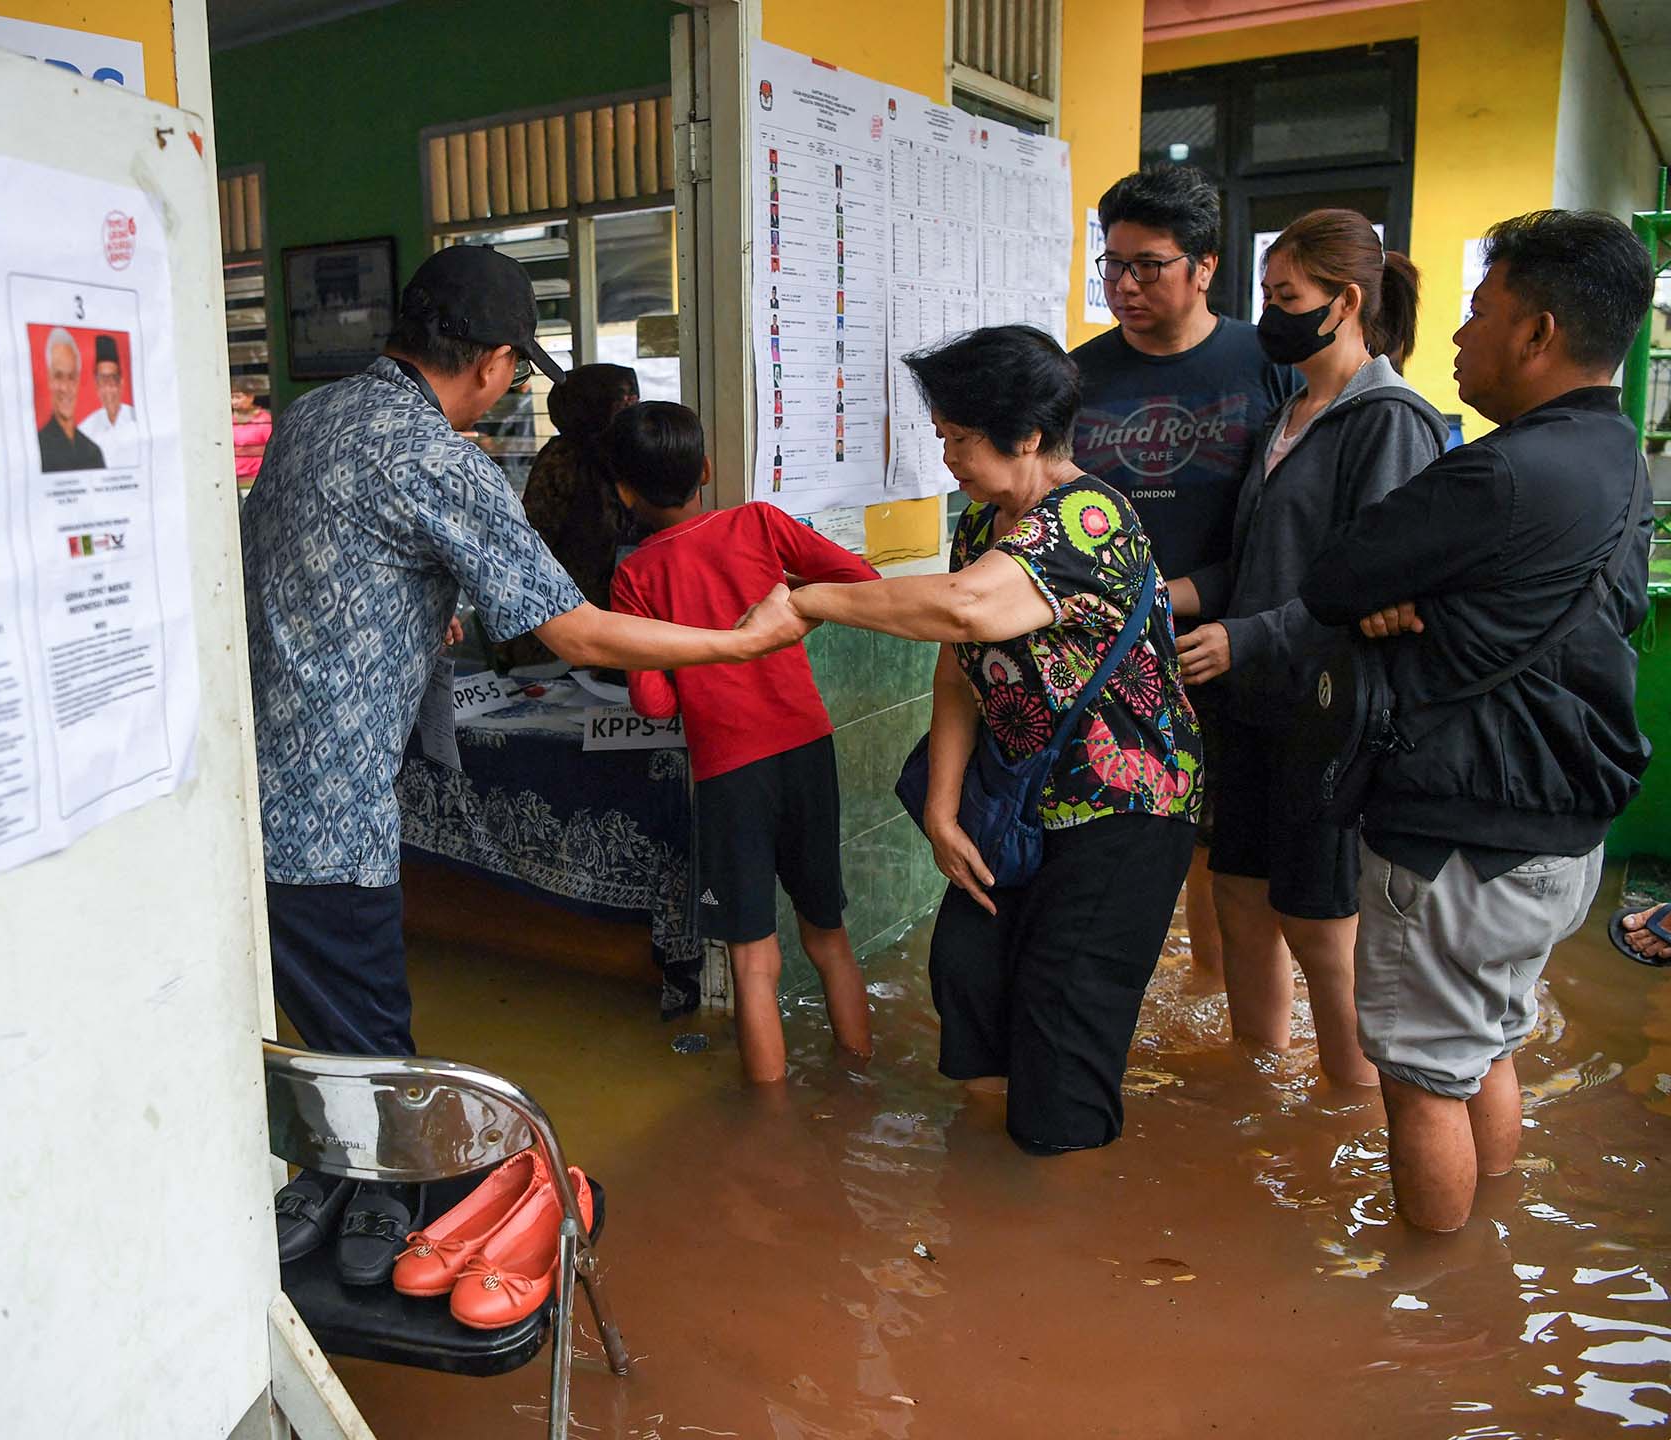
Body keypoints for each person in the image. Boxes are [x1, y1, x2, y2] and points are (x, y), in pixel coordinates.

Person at [243, 242, 809, 1277]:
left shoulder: (312, 417)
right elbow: (580, 634)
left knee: (321, 1031)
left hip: (247, 798)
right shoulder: (439, 460)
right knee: (371, 1048)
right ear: (497, 363)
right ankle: (395, 1225)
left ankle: (341, 1189)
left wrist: (415, 614)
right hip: (330, 814)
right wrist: (738, 642)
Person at [754, 325, 1203, 1154]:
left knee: (1063, 1022)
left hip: (1122, 811)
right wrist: (942, 808)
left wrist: (811, 600)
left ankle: (1055, 1218)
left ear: (1026, 435)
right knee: (968, 976)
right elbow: (960, 668)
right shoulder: (982, 522)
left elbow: (967, 608)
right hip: (1020, 798)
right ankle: (992, 1192)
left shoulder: (1090, 518)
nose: (948, 455)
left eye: (959, 438)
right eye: (944, 436)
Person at [1299, 210, 1654, 1231]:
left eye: (1479, 313)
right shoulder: (1618, 458)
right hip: (1560, 837)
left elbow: (1332, 579)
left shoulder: (1495, 473)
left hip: (1463, 837)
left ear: (1538, 334)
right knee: (1486, 1045)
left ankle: (1432, 1330)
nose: (1457, 335)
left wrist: (1403, 601)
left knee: (1419, 1080)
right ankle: (1488, 1261)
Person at [1171, 210, 1444, 1087]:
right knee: (1239, 898)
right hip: (1251, 701)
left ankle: (1351, 1114)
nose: (1270, 317)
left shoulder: (1388, 420)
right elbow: (1257, 560)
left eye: (1287, 298)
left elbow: (1367, 580)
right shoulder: (1290, 412)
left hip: (1327, 711)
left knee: (1321, 926)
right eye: (1267, 296)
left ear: (1347, 302)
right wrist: (1170, 594)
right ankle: (1257, 1096)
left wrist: (1245, 636)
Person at [604, 400, 878, 1083]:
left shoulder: (635, 577)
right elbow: (861, 582)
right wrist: (788, 618)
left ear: (623, 490)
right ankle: (861, 1078)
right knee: (830, 936)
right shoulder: (758, 522)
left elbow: (652, 700)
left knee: (754, 962)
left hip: (729, 772)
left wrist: (691, 659)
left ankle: (771, 1132)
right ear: (704, 469)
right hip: (806, 747)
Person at [1073, 166, 1297, 994]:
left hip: (1230, 646)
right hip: (1106, 658)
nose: (1124, 285)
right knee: (1122, 840)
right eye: (1113, 264)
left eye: (1149, 265)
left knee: (1229, 856)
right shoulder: (1078, 377)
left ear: (1204, 266)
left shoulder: (1266, 365)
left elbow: (1295, 524)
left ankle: (1219, 1005)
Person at [496, 362, 639, 669]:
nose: (632, 408)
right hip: (565, 621)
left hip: (618, 617)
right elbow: (534, 541)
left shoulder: (628, 451)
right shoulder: (563, 459)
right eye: (623, 400)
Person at [37, 326, 105, 472]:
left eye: (72, 377)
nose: (65, 388)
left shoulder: (93, 453)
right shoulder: (38, 449)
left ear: (78, 381)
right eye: (58, 376)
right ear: (49, 379)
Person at [78, 333, 141, 469]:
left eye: (112, 379)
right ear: (96, 385)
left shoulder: (137, 420)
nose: (108, 387)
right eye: (102, 380)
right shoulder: (86, 430)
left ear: (121, 383)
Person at [230, 375, 271, 484]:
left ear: (250, 397)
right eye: (232, 397)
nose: (234, 402)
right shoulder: (227, 421)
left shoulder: (263, 420)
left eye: (238, 397)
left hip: (256, 478)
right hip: (233, 478)